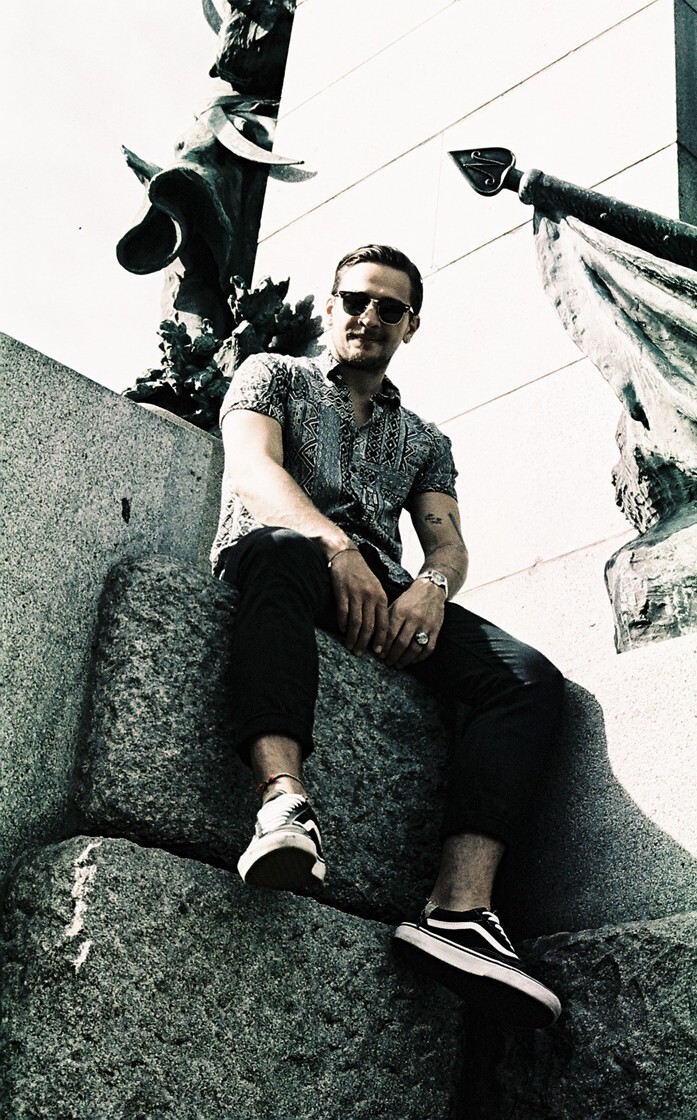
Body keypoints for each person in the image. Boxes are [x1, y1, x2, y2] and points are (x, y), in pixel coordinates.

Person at [210, 244, 564, 1028]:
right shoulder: (272, 375)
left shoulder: (425, 440)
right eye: (355, 300)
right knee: (279, 550)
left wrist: (433, 588)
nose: (369, 316)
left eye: (389, 308)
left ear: (411, 325)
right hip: (288, 560)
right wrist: (337, 550)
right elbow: (253, 474)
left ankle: (460, 911)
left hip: (384, 592)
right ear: (329, 306)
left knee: (527, 680)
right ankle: (283, 805)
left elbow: (447, 544)